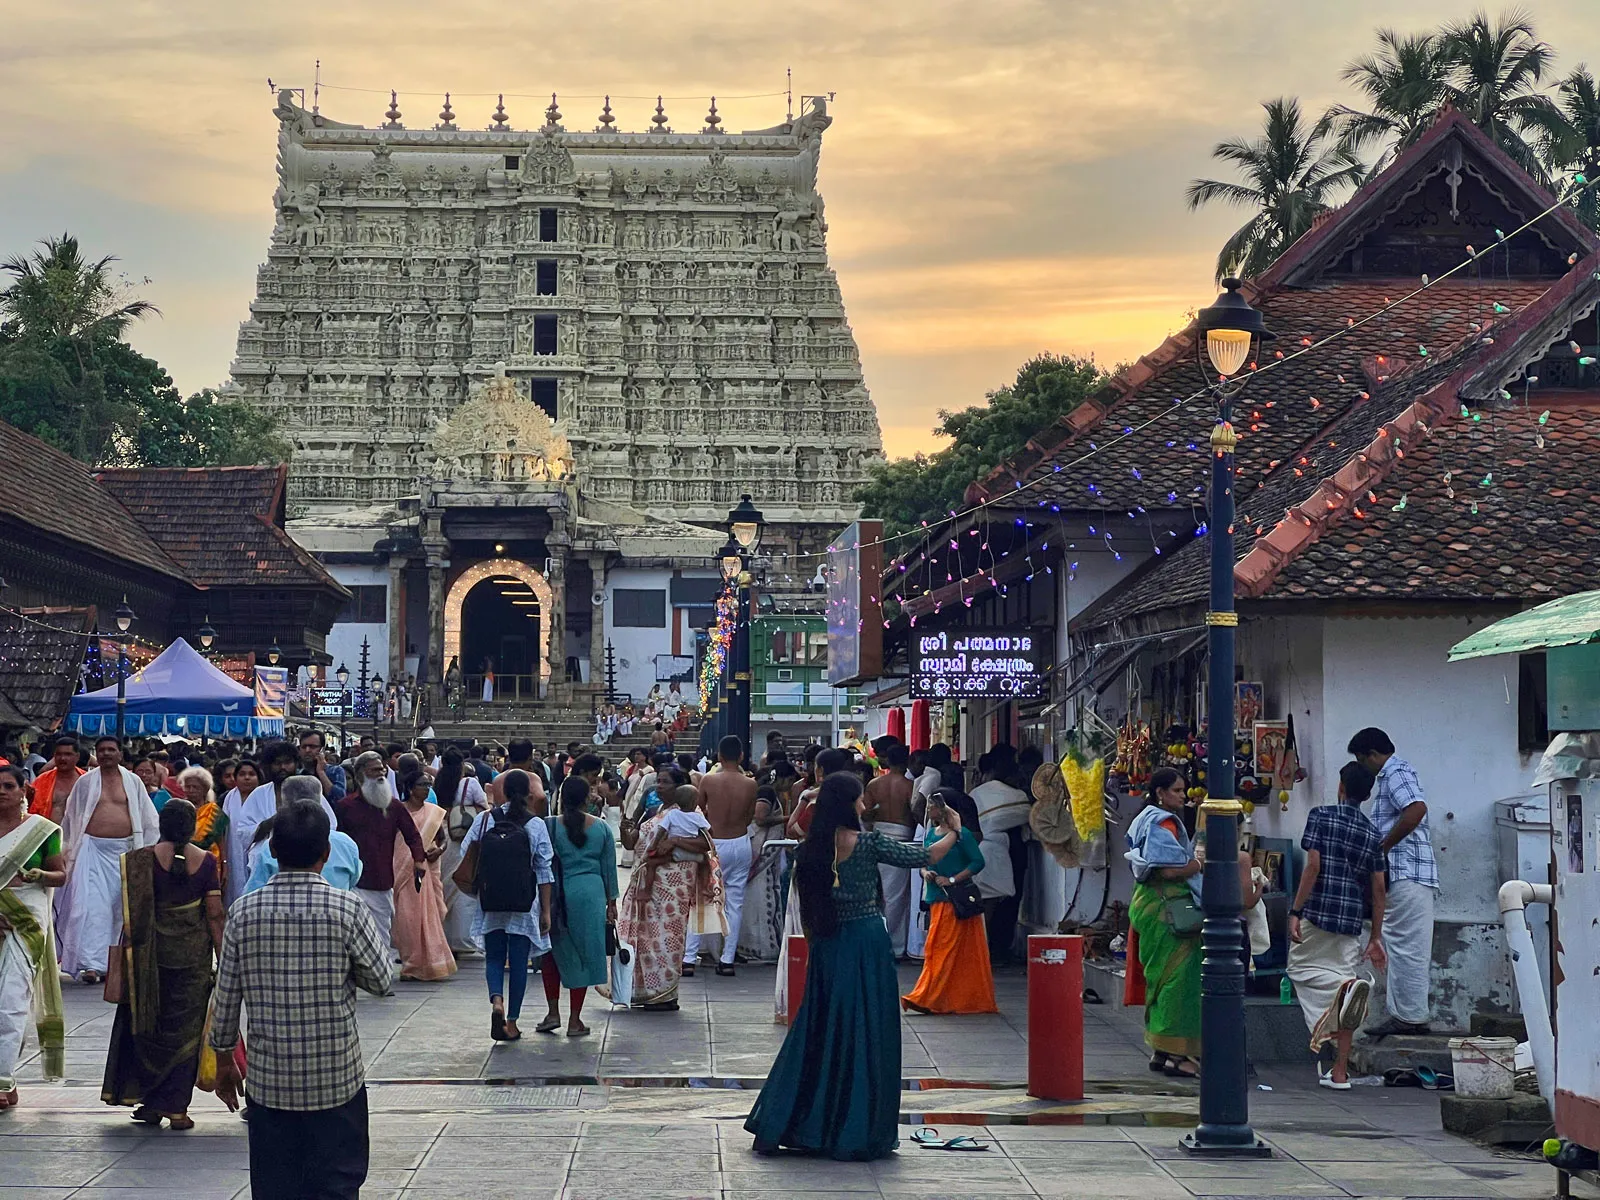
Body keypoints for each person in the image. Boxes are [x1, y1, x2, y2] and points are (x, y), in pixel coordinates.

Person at [745, 772, 962, 1160]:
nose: (865, 805)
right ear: (848, 804)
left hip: (829, 945)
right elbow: (923, 856)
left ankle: (794, 1120)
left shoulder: (810, 850)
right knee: (865, 1031)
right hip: (865, 943)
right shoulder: (866, 844)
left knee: (819, 1030)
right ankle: (854, 1127)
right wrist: (954, 833)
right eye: (860, 799)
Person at [209, 800, 393, 1199]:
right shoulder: (348, 909)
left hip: (270, 1082)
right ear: (326, 853)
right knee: (336, 1184)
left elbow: (225, 997)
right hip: (336, 1079)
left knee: (276, 1186)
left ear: (272, 850)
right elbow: (381, 980)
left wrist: (224, 1059)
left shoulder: (243, 913)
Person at [101, 798, 226, 1129]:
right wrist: (224, 956)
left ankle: (150, 1103)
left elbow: (129, 919)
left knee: (148, 1028)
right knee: (185, 1033)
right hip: (192, 962)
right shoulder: (207, 862)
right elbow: (214, 914)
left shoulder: (140, 861)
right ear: (192, 826)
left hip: (148, 960)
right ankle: (176, 1108)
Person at [1288, 761, 1389, 1089]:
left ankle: (1341, 990)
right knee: (1346, 987)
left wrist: (1295, 909)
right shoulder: (1372, 833)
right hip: (1350, 920)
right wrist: (1376, 936)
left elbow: (1313, 866)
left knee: (1301, 969)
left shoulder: (1320, 816)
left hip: (1316, 912)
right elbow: (1377, 888)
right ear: (1367, 794)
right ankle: (1340, 1072)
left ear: (1341, 787)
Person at [1348, 727, 1437, 1036]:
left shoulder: (1394, 772)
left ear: (1373, 755)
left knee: (1408, 948)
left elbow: (1416, 810)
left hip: (1408, 871)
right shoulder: (1392, 775)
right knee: (1400, 947)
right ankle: (1405, 1016)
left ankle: (1411, 1018)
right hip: (1403, 875)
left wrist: (1383, 847)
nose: (1364, 768)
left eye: (1362, 760)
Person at [460, 770, 554, 1041]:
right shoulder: (535, 825)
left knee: (494, 957)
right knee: (519, 961)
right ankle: (512, 1022)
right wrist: (545, 910)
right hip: (524, 903)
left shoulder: (484, 819)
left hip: (491, 900)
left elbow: (469, 854)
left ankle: (496, 1001)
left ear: (500, 792)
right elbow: (544, 870)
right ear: (528, 794)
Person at [58, 737, 161, 984]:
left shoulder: (133, 781)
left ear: (119, 754)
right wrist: (67, 849)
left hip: (125, 851)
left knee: (119, 909)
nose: (105, 754)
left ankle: (114, 964)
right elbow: (72, 817)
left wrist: (147, 848)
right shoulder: (85, 782)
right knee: (90, 908)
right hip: (91, 850)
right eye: (101, 750)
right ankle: (91, 965)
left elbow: (148, 817)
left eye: (110, 750)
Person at [616, 784, 726, 1011]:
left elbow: (707, 843)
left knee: (669, 937)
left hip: (674, 887)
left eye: (666, 781)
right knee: (646, 939)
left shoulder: (690, 815)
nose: (660, 786)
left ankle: (664, 994)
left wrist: (674, 843)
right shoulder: (652, 812)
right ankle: (642, 991)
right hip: (650, 882)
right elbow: (633, 843)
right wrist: (627, 828)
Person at [1124, 767, 1202, 1078]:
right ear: (1160, 793)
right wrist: (1198, 863)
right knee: (1178, 981)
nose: (1184, 797)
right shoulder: (1163, 822)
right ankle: (1175, 1054)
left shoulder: (1144, 817)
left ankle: (1162, 1051)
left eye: (1184, 791)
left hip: (1148, 904)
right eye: (1177, 791)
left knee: (1160, 978)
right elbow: (1169, 869)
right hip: (1167, 909)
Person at [0, 764, 66, 1110]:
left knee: (12, 999)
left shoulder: (42, 831)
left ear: (24, 791)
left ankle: (2, 1080)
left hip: (26, 920)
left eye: (9, 786)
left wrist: (41, 873)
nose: (2, 791)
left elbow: (60, 874)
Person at [902, 787, 995, 1014]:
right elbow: (924, 861)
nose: (928, 809)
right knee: (936, 948)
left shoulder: (961, 834)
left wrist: (952, 879)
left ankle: (929, 997)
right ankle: (939, 997)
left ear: (944, 807)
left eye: (932, 804)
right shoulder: (931, 834)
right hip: (936, 897)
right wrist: (926, 874)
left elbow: (977, 862)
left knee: (944, 949)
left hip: (954, 899)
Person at [538, 776, 618, 1037]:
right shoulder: (602, 829)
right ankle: (575, 1020)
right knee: (583, 956)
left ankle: (552, 1013)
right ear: (587, 798)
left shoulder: (548, 826)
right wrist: (611, 903)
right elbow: (609, 870)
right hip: (591, 894)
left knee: (553, 954)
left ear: (561, 798)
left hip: (556, 894)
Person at [336, 751, 426, 959]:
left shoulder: (393, 806)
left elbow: (412, 835)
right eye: (375, 770)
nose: (382, 773)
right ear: (361, 774)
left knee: (381, 933)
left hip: (381, 880)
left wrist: (419, 861)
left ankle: (382, 975)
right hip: (351, 881)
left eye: (383, 769)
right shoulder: (345, 807)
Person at [684, 736, 758, 977]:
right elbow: (749, 818)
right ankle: (727, 960)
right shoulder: (750, 784)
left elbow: (699, 811)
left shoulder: (708, 780)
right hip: (740, 842)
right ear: (741, 757)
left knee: (703, 898)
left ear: (718, 756)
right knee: (735, 903)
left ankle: (689, 958)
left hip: (714, 843)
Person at [243, 777, 363, 893]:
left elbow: (253, 889)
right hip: (336, 909)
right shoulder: (345, 843)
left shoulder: (268, 847)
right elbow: (353, 879)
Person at [392, 766, 455, 982]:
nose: (427, 789)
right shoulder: (397, 811)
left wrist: (440, 849)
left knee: (429, 916)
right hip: (402, 871)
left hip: (426, 869)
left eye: (429, 785)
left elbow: (442, 838)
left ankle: (432, 964)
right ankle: (410, 965)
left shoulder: (433, 811)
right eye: (422, 785)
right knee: (406, 919)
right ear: (410, 789)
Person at [970, 745, 1032, 966]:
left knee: (991, 901)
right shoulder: (1010, 793)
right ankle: (995, 947)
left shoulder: (978, 793)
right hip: (1006, 851)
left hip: (994, 850)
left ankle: (990, 947)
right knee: (1000, 901)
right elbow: (1026, 814)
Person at [863, 742, 917, 958]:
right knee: (895, 896)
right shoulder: (909, 786)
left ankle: (875, 940)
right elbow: (915, 814)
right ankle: (892, 945)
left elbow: (865, 814)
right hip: (901, 836)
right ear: (906, 762)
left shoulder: (874, 785)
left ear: (887, 760)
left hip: (877, 834)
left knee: (876, 894)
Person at [435, 748, 488, 956]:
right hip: (463, 838)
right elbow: (484, 807)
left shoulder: (438, 782)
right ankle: (462, 939)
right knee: (463, 887)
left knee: (445, 886)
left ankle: (444, 936)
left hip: (443, 835)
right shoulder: (469, 783)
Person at [175, 766, 228, 886]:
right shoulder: (178, 808)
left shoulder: (213, 811)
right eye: (188, 787)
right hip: (184, 861)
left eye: (196, 787)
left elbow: (220, 841)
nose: (191, 790)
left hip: (211, 861)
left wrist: (225, 865)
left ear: (205, 789)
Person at [26, 735, 82, 822]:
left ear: (77, 756)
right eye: (59, 754)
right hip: (47, 831)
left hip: (79, 833)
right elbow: (27, 807)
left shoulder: (86, 780)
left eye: (68, 754)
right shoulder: (42, 780)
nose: (62, 758)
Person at [299, 729, 346, 803]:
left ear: (322, 749)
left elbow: (339, 799)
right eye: (304, 747)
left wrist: (321, 772)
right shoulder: (296, 771)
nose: (307, 750)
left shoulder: (335, 771)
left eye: (312, 747)